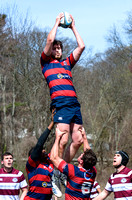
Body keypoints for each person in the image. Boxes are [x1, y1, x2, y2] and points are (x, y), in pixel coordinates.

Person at [40, 12, 85, 163]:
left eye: (59, 48)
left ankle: (63, 168)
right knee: (63, 140)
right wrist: (57, 22)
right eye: (55, 48)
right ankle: (57, 168)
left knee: (78, 140)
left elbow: (81, 46)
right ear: (50, 50)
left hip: (74, 104)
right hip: (60, 103)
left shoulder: (67, 63)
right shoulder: (45, 63)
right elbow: (50, 39)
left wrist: (73, 27)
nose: (58, 50)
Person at [50, 126, 97, 200]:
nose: (81, 153)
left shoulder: (73, 171)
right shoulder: (93, 172)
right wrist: (84, 137)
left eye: (82, 154)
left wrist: (57, 138)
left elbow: (53, 158)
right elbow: (89, 155)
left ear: (81, 161)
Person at [24, 110, 62, 200]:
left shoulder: (49, 161)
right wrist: (52, 124)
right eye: (41, 150)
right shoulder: (32, 164)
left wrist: (60, 134)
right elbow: (39, 144)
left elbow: (59, 149)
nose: (44, 150)